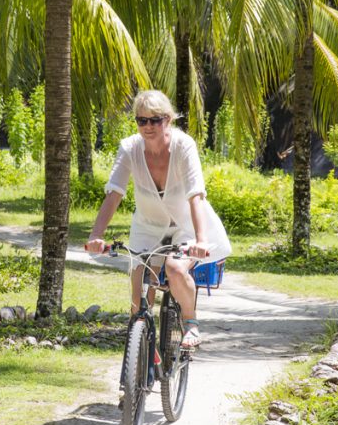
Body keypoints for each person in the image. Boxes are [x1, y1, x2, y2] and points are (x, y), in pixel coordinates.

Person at [85, 90, 231, 348]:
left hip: (187, 226)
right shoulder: (129, 148)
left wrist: (201, 240)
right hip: (148, 226)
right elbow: (114, 193)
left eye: (156, 120)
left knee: (175, 269)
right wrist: (96, 236)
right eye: (142, 120)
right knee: (140, 279)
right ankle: (139, 346)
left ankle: (190, 324)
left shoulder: (184, 145)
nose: (148, 126)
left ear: (169, 120)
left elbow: (196, 194)